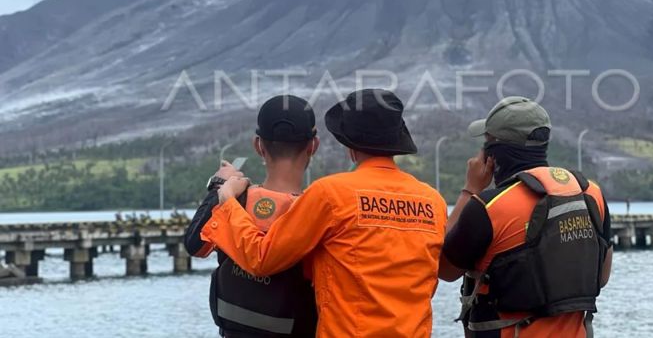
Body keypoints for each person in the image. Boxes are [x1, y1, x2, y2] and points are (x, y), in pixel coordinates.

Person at [201, 89, 448, 338]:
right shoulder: (433, 202)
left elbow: (262, 258)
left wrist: (227, 201)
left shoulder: (332, 194)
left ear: (349, 145)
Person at [439, 96, 613, 338]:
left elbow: (444, 269)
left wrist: (470, 189)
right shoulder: (591, 193)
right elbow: (601, 277)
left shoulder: (488, 207)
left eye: (486, 143)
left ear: (493, 153)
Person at [184, 95, 320, 338]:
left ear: (258, 145)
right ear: (313, 146)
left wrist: (219, 186)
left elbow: (195, 244)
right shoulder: (318, 211)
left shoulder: (235, 200)